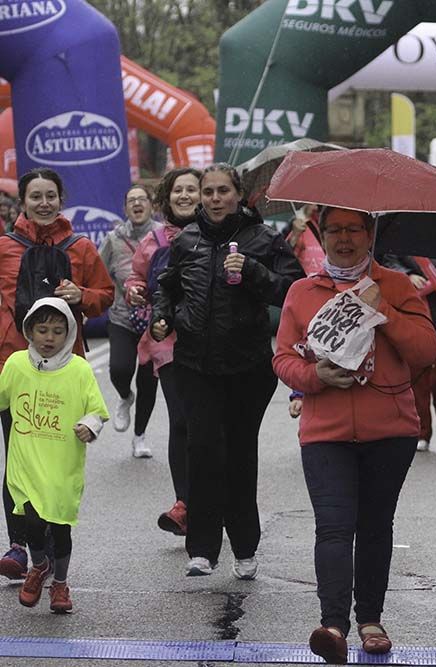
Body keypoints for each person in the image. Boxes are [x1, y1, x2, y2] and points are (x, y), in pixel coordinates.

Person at [273, 206, 436, 664]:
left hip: (391, 431)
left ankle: (370, 620)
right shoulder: (303, 292)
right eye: (334, 231)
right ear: (320, 236)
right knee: (333, 526)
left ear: (370, 235)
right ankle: (333, 626)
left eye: (353, 230)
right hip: (325, 433)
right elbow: (284, 358)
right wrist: (316, 375)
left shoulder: (398, 286)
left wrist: (382, 309)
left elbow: (426, 351)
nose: (343, 239)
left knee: (374, 526)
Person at [150, 163, 303, 578]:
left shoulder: (262, 238)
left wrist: (251, 272)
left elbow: (295, 289)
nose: (215, 199)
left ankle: (245, 548)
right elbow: (166, 285)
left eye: (223, 191)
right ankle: (201, 548)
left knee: (237, 455)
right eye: (209, 192)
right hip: (196, 364)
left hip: (246, 367)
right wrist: (163, 317)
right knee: (201, 453)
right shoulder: (188, 241)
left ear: (239, 195)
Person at [0, 168, 113, 581]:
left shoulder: (80, 247)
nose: (44, 203)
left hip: (66, 374)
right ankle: (20, 546)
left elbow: (105, 295)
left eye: (51, 196)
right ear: (23, 202)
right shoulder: (5, 247)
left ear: (61, 200)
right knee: (17, 460)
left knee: (57, 464)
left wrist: (82, 296)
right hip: (14, 367)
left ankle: (49, 541)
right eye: (36, 196)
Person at [0, 298, 108, 613]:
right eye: (42, 330)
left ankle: (59, 582)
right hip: (26, 464)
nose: (50, 338)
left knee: (60, 529)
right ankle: (39, 565)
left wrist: (89, 426)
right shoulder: (17, 364)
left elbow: (97, 410)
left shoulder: (79, 370)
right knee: (32, 522)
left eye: (58, 331)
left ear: (70, 333)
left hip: (62, 465)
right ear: (29, 331)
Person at [125, 167, 201, 536]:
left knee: (210, 426)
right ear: (167, 198)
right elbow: (137, 276)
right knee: (181, 421)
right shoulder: (154, 239)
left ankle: (213, 500)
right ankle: (184, 503)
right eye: (178, 191)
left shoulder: (217, 238)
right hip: (167, 342)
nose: (185, 196)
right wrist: (134, 290)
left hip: (212, 344)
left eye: (192, 190)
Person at [99, 184, 161, 458]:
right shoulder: (113, 239)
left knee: (148, 379)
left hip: (155, 320)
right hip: (122, 316)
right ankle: (125, 396)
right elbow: (99, 273)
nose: (137, 204)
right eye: (131, 201)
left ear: (151, 205)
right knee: (119, 369)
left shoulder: (162, 235)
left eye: (142, 200)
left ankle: (139, 436)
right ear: (125, 208)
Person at [383, 254, 436, 452]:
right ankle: (421, 432)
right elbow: (388, 260)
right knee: (417, 380)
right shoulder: (401, 231)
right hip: (413, 314)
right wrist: (407, 276)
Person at [286, 203, 325, 276]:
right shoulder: (300, 226)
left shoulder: (336, 227)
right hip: (308, 282)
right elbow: (286, 259)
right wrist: (295, 235)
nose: (315, 207)